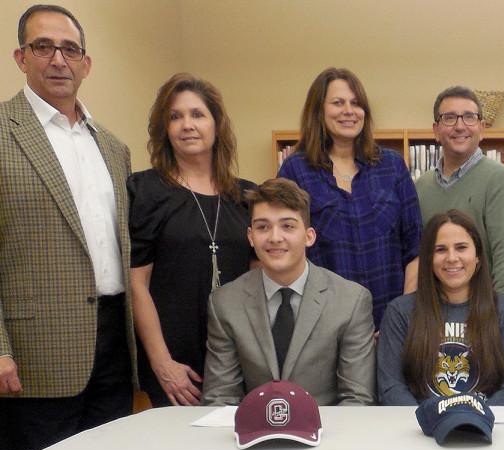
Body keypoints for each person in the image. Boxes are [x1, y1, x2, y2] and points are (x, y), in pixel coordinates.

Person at [0, 4, 135, 450]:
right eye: (43, 47)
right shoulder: (2, 132)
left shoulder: (111, 145)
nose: (59, 59)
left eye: (70, 49)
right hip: (34, 347)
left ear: (86, 62)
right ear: (20, 57)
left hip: (113, 340)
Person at [129, 73, 255, 407]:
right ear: (164, 129)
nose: (187, 124)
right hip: (175, 366)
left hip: (237, 359)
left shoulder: (246, 196)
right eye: (175, 116)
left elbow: (261, 283)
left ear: (217, 125)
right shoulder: (145, 191)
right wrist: (162, 364)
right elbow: (136, 283)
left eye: (198, 114)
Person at [202, 178, 375, 406]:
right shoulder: (225, 302)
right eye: (262, 227)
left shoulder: (351, 301)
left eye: (288, 226)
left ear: (309, 236)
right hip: (252, 436)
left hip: (327, 435)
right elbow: (220, 398)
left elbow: (357, 400)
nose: (275, 237)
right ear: (250, 237)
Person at [278, 67, 421, 327]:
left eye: (356, 103)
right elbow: (285, 250)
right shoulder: (295, 170)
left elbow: (415, 248)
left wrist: (401, 318)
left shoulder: (392, 165)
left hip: (390, 323)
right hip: (324, 326)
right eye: (338, 102)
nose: (349, 110)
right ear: (318, 111)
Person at [377, 210, 504, 405]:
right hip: (419, 430)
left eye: (461, 247)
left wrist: (478, 421)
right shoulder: (400, 312)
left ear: (478, 256)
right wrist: (427, 422)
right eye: (440, 249)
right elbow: (391, 388)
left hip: (488, 428)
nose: (451, 257)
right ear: (428, 258)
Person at [413, 86, 504, 304]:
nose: (459, 126)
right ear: (436, 130)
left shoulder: (499, 179)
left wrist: (501, 319)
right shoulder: (421, 187)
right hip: (433, 315)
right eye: (450, 118)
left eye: (469, 117)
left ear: (482, 129)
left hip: (483, 315)